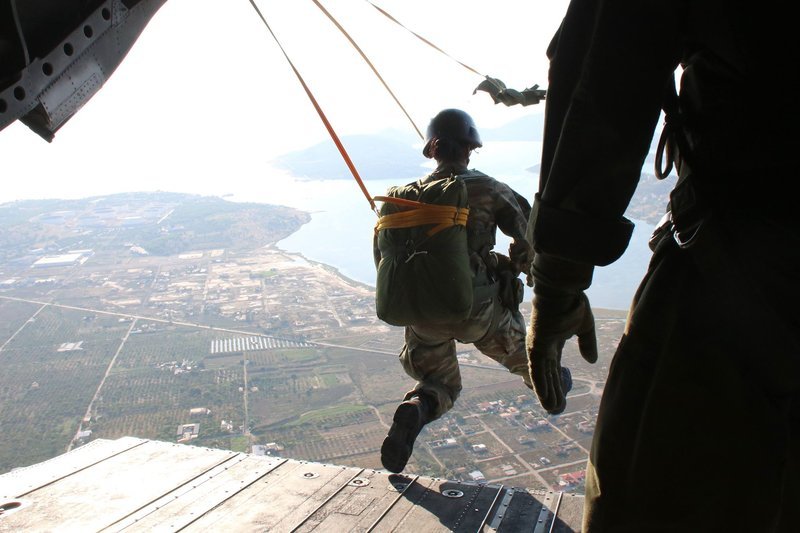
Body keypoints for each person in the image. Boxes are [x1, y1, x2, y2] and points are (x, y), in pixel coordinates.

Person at [525, 1, 799, 531]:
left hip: (738, 269)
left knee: (646, 497)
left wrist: (557, 281)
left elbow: (605, 68)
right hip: (744, 253)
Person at [378, 108, 546, 474]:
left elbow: (385, 257)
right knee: (525, 357)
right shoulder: (489, 188)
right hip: (479, 311)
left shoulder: (406, 198)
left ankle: (417, 409)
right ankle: (553, 385)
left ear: (432, 148)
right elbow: (529, 233)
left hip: (424, 312)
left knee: (440, 384)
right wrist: (518, 267)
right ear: (470, 148)